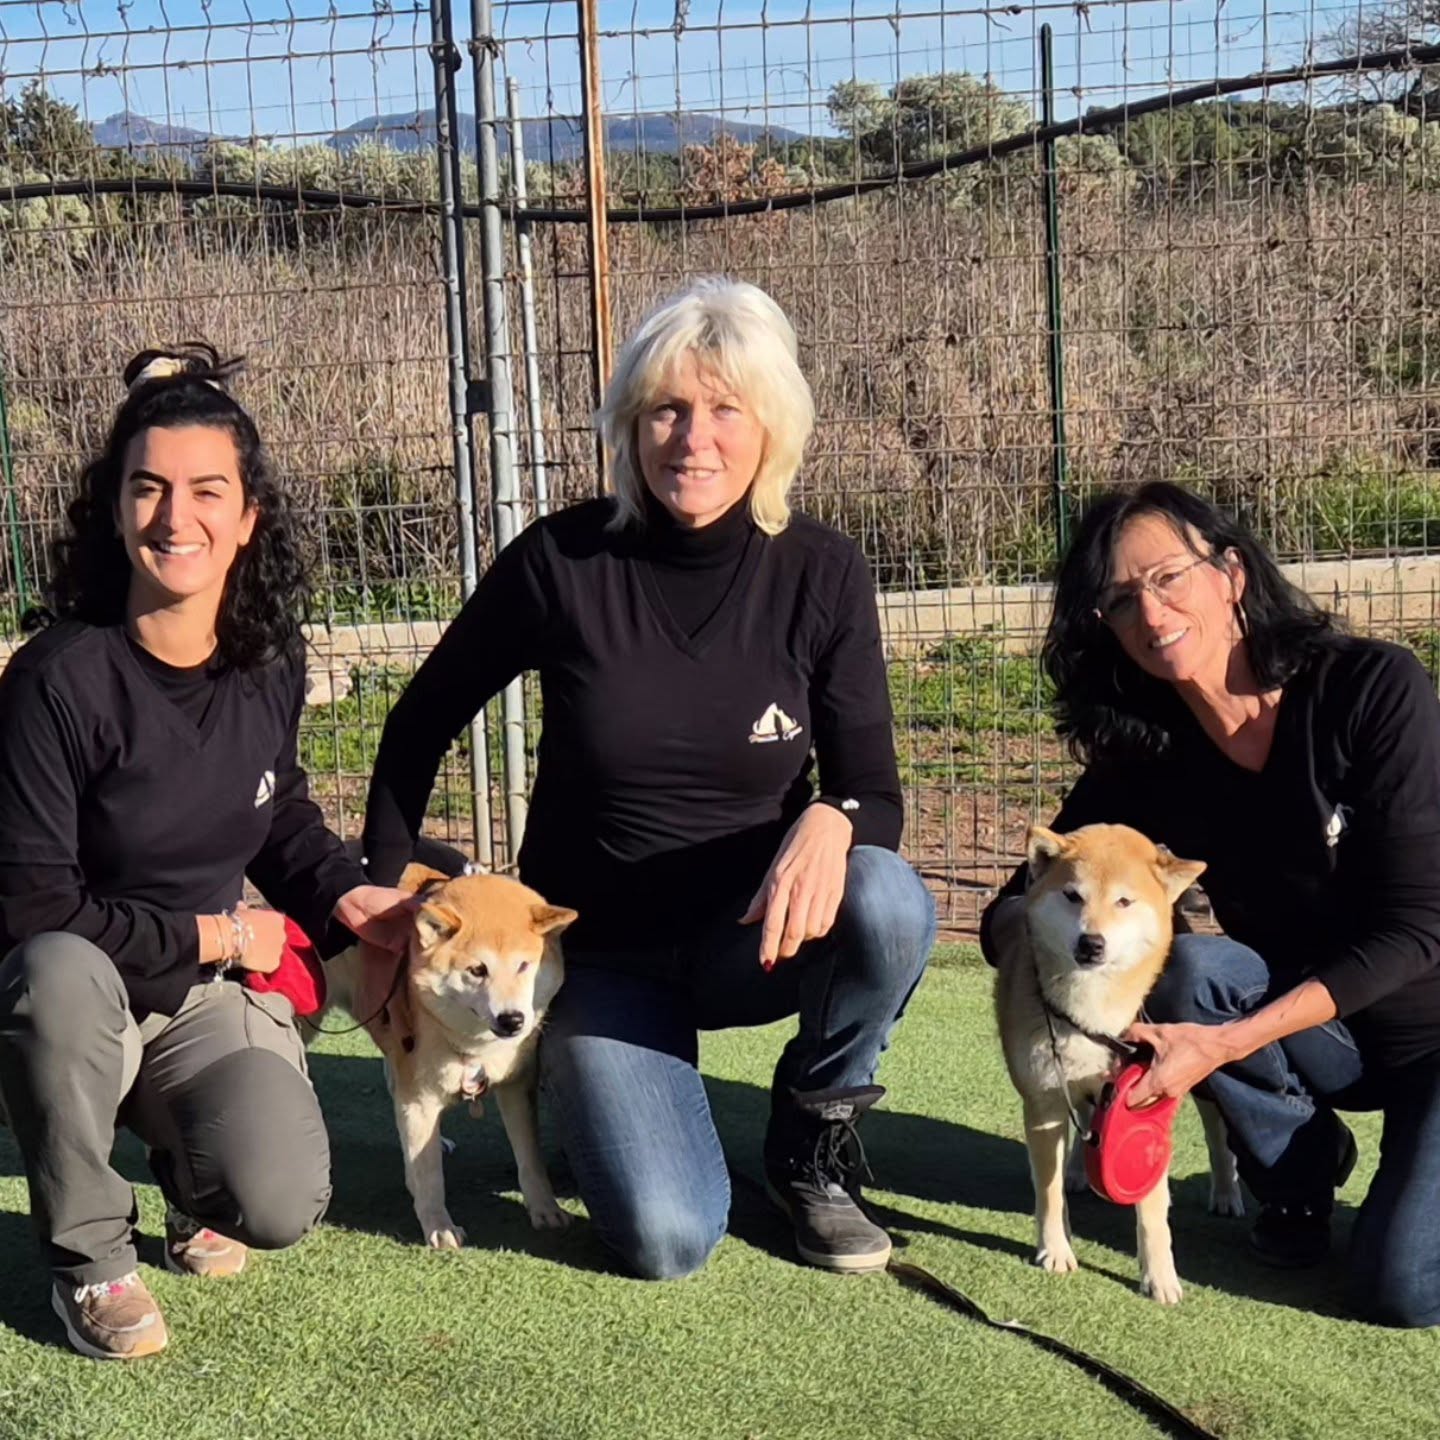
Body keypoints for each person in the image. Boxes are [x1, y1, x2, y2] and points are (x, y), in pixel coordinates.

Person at [362, 277, 935, 1279]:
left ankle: (811, 1144)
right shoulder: (561, 561)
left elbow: (873, 789)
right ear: (632, 422)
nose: (692, 438)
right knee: (668, 1238)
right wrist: (380, 889)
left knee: (887, 898)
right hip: (600, 961)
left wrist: (835, 821)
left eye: (724, 409)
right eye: (667, 408)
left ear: (773, 426)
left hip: (751, 940)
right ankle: (576, 1076)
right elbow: (415, 728)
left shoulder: (822, 571)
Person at [0, 345, 411, 1360]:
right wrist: (219, 932)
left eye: (204, 492)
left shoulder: (270, 659)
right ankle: (92, 1259)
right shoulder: (60, 677)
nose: (174, 519)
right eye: (147, 489)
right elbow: (32, 909)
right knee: (56, 976)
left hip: (194, 992)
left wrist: (346, 899)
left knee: (277, 1199)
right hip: (78, 986)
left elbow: (276, 814)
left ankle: (189, 1181)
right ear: (114, 508)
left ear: (247, 517)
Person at [982, 480, 1440, 1328]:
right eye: (1120, 601)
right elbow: (1014, 904)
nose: (1151, 615)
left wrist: (1225, 1044)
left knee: (1404, 1290)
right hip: (1321, 1034)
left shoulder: (1372, 688)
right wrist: (1042, 941)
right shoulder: (1150, 753)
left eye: (1167, 578)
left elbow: (1419, 930)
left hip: (1427, 1029)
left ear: (1230, 573)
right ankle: (1300, 1177)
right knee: (1193, 969)